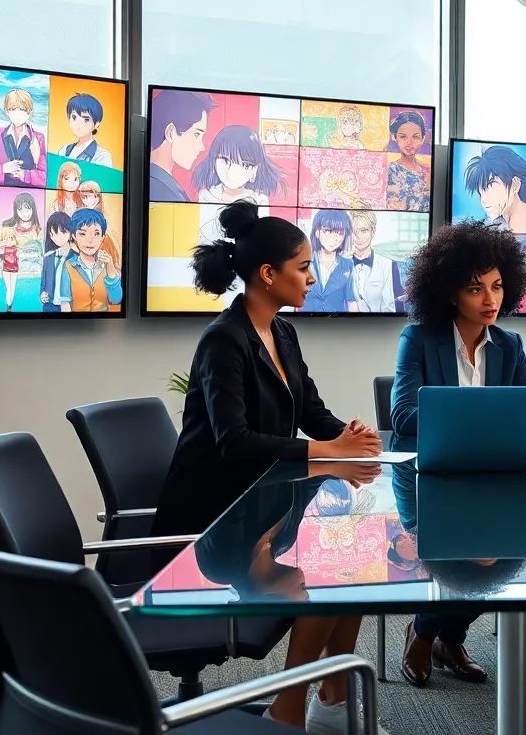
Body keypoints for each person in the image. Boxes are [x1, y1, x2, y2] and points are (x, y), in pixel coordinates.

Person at [151, 200, 385, 733]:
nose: (312, 276)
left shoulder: (283, 333)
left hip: (262, 507)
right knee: (321, 582)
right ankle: (289, 711)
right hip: (212, 521)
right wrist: (327, 453)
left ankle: (329, 702)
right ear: (268, 274)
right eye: (303, 267)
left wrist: (346, 436)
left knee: (351, 577)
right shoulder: (222, 341)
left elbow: (307, 408)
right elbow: (233, 443)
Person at [390, 224, 526, 686]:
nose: (491, 299)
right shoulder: (419, 338)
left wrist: (524, 419)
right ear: (448, 292)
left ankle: (448, 636)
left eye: (498, 286)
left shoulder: (509, 345)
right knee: (470, 548)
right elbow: (403, 414)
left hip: (495, 476)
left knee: (505, 549)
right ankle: (425, 634)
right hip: (430, 479)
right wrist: (480, 416)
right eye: (475, 288)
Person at [193, 124, 287, 205]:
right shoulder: (206, 196)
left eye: (245, 165)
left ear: (254, 171)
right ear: (214, 162)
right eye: (225, 160)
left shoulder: (259, 200)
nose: (232, 172)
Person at [148, 89, 215, 202]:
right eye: (196, 134)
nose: (202, 147)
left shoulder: (162, 184)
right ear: (170, 132)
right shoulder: (163, 191)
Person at [57, 208, 121, 313]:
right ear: (74, 236)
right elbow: (65, 302)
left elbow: (116, 300)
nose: (90, 240)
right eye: (83, 234)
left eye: (96, 234)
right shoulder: (68, 266)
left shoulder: (108, 266)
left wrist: (110, 268)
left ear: (102, 237)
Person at [462, 145, 526, 231]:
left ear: (515, 184)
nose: (483, 200)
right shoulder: (493, 230)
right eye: (480, 192)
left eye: (491, 186)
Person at [0, 88, 47, 187]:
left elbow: (44, 177)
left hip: (29, 194)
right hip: (0, 193)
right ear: (7, 111)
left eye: (22, 109)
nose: (17, 113)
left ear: (29, 112)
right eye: (12, 109)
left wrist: (25, 175)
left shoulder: (38, 138)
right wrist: (3, 169)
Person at [303, 209, 358, 313]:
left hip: (338, 324)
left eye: (340, 233)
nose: (335, 238)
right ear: (317, 232)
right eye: (328, 231)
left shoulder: (347, 264)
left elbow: (351, 300)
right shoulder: (305, 262)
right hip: (306, 323)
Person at [348, 211, 398, 313]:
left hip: (381, 325)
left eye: (364, 230)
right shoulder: (340, 264)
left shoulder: (388, 264)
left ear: (373, 231)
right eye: (353, 231)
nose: (359, 237)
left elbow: (390, 307)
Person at [385, 110, 431, 212]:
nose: (409, 142)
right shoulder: (392, 169)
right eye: (403, 137)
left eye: (415, 137)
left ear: (423, 138)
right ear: (395, 137)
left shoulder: (425, 173)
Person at [58, 93, 113, 166]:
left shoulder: (102, 156)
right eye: (74, 117)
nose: (78, 124)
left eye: (86, 120)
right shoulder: (64, 150)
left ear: (96, 124)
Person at [39, 212, 72, 313]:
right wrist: (42, 295)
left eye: (63, 232)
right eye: (53, 234)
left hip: (69, 306)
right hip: (50, 305)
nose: (58, 237)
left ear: (71, 232)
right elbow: (43, 283)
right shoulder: (48, 258)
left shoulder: (75, 257)